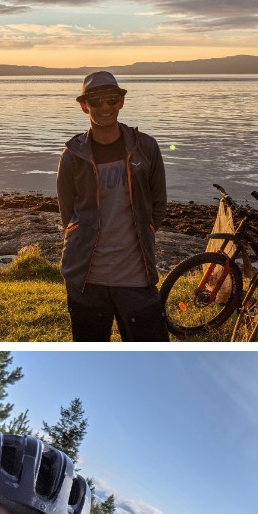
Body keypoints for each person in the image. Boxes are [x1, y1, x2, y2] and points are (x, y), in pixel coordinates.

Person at [56, 71, 168, 341]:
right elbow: (67, 212)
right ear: (85, 106)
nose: (105, 107)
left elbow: (159, 203)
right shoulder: (73, 156)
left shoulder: (146, 147)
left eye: (112, 100)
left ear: (121, 102)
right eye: (96, 101)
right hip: (86, 279)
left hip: (137, 278)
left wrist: (148, 227)